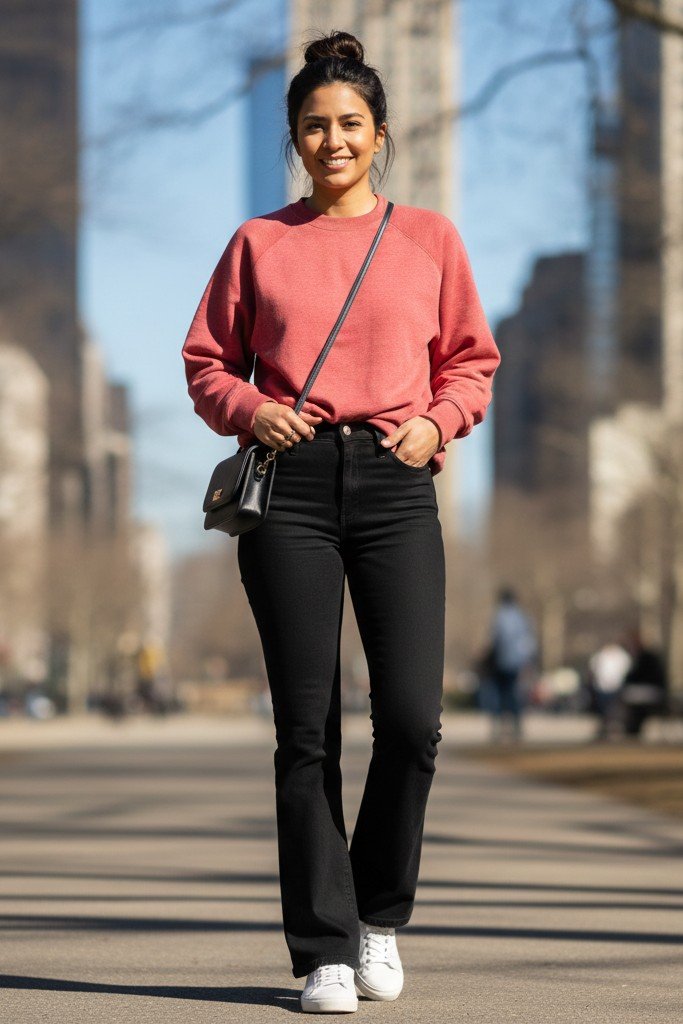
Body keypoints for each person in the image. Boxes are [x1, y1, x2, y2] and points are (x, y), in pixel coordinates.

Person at [182, 29, 500, 1014]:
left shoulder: (429, 239)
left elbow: (470, 362)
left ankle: (377, 913)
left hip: (397, 482)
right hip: (292, 491)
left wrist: (435, 423)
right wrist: (249, 410)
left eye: (348, 124)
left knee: (410, 720)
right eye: (313, 125)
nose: (331, 140)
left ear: (379, 135)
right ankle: (322, 945)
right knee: (304, 729)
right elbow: (206, 362)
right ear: (294, 138)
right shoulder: (257, 243)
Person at [485, 587, 537, 743]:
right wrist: (527, 661)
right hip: (517, 663)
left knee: (499, 694)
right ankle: (517, 729)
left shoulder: (500, 615)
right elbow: (529, 641)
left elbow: (496, 639)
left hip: (501, 662)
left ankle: (498, 730)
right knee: (514, 695)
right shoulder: (522, 617)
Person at [587, 637, 632, 741]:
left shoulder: (622, 656)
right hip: (601, 688)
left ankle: (615, 728)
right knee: (603, 710)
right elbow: (593, 671)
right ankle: (604, 727)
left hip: (617, 688)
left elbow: (627, 671)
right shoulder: (600, 655)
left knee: (615, 710)